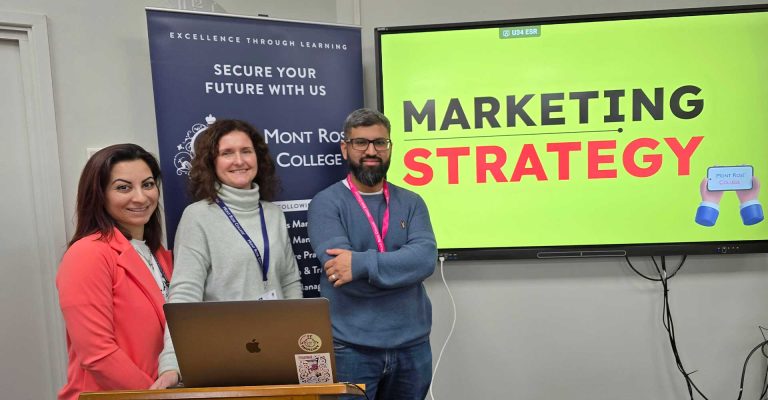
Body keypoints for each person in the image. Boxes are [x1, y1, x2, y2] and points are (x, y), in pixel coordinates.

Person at [153, 119, 303, 388]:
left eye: (246, 151)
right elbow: (184, 294)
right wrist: (172, 363)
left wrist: (297, 342)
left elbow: (290, 281)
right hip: (222, 357)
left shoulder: (273, 214)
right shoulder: (197, 217)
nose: (239, 160)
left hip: (276, 353)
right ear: (211, 163)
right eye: (227, 153)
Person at [307, 108, 437, 399]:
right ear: (345, 148)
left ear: (389, 147)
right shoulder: (325, 204)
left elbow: (425, 259)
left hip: (413, 348)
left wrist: (360, 264)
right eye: (360, 142)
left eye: (380, 142)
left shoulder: (412, 202)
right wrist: (401, 271)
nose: (371, 151)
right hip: (350, 349)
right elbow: (339, 272)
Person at [56, 144, 172, 400]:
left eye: (148, 185)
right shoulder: (87, 254)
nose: (140, 197)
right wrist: (155, 396)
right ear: (99, 195)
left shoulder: (160, 256)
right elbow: (97, 354)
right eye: (123, 188)